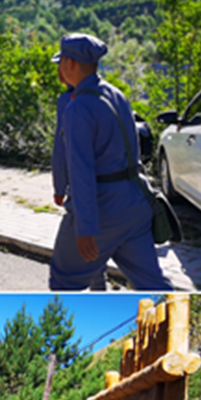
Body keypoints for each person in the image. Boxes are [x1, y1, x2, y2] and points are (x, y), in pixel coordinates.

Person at [49, 32, 173, 292]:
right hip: (136, 202)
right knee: (152, 282)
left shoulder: (78, 107)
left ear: (70, 64)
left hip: (103, 207)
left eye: (62, 61)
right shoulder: (116, 94)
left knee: (63, 280)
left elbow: (81, 171)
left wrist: (86, 227)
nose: (60, 67)